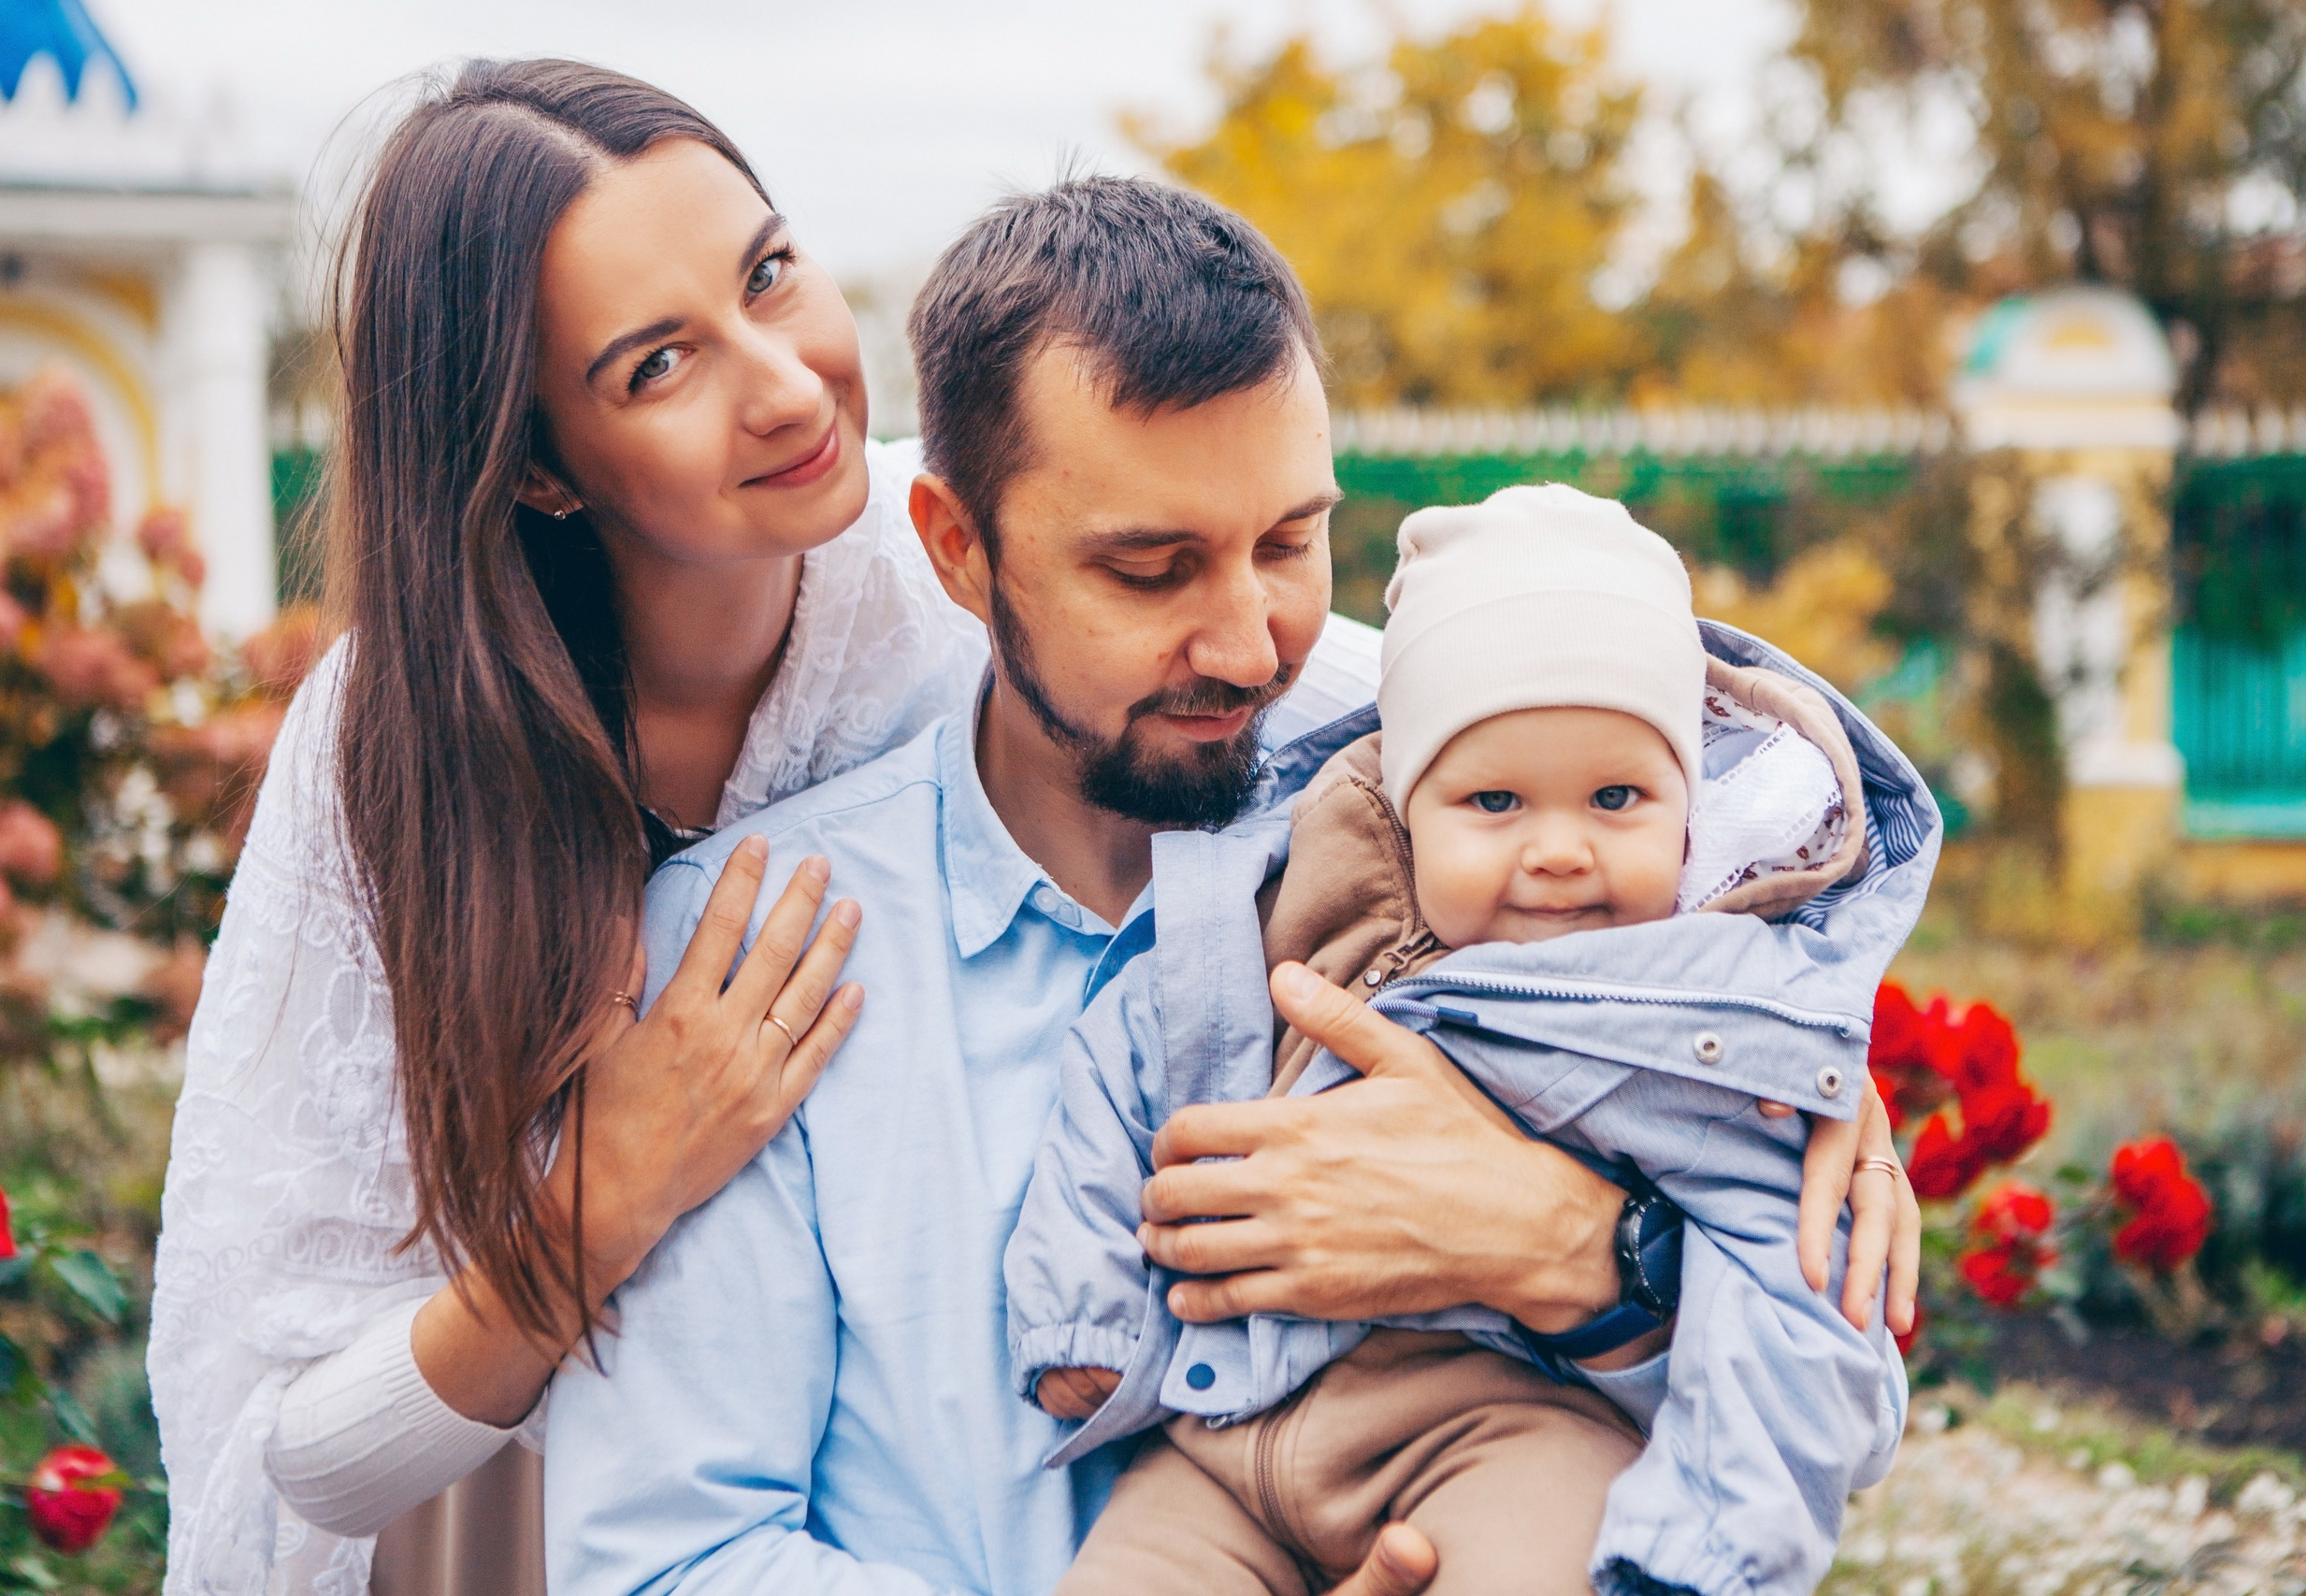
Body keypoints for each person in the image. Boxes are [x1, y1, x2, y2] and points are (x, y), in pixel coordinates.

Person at [543, 176, 1919, 1596]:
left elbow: (1845, 1409)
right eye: (1151, 569)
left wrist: (1598, 1262)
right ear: (959, 549)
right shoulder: (759, 947)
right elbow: (664, 1558)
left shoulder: (1518, 826)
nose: (1255, 645)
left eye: (1287, 542)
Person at [146, 60, 1053, 1596]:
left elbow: (1342, 691)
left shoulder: (963, 580)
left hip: (937, 1501)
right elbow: (295, 1447)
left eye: (770, 273)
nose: (784, 381)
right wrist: (602, 1198)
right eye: (656, 365)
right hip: (524, 1535)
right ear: (543, 467)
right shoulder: (396, 752)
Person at [1009, 484, 1932, 1596]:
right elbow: (1124, 1062)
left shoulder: (1701, 1024)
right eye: (1494, 801)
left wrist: (1710, 1551)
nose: (1557, 850)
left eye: (1616, 797)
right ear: (1406, 804)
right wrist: (1084, 1315)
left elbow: (1805, 1315)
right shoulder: (1276, 911)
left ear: (1689, 814)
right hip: (1223, 1428)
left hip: (1504, 1430)